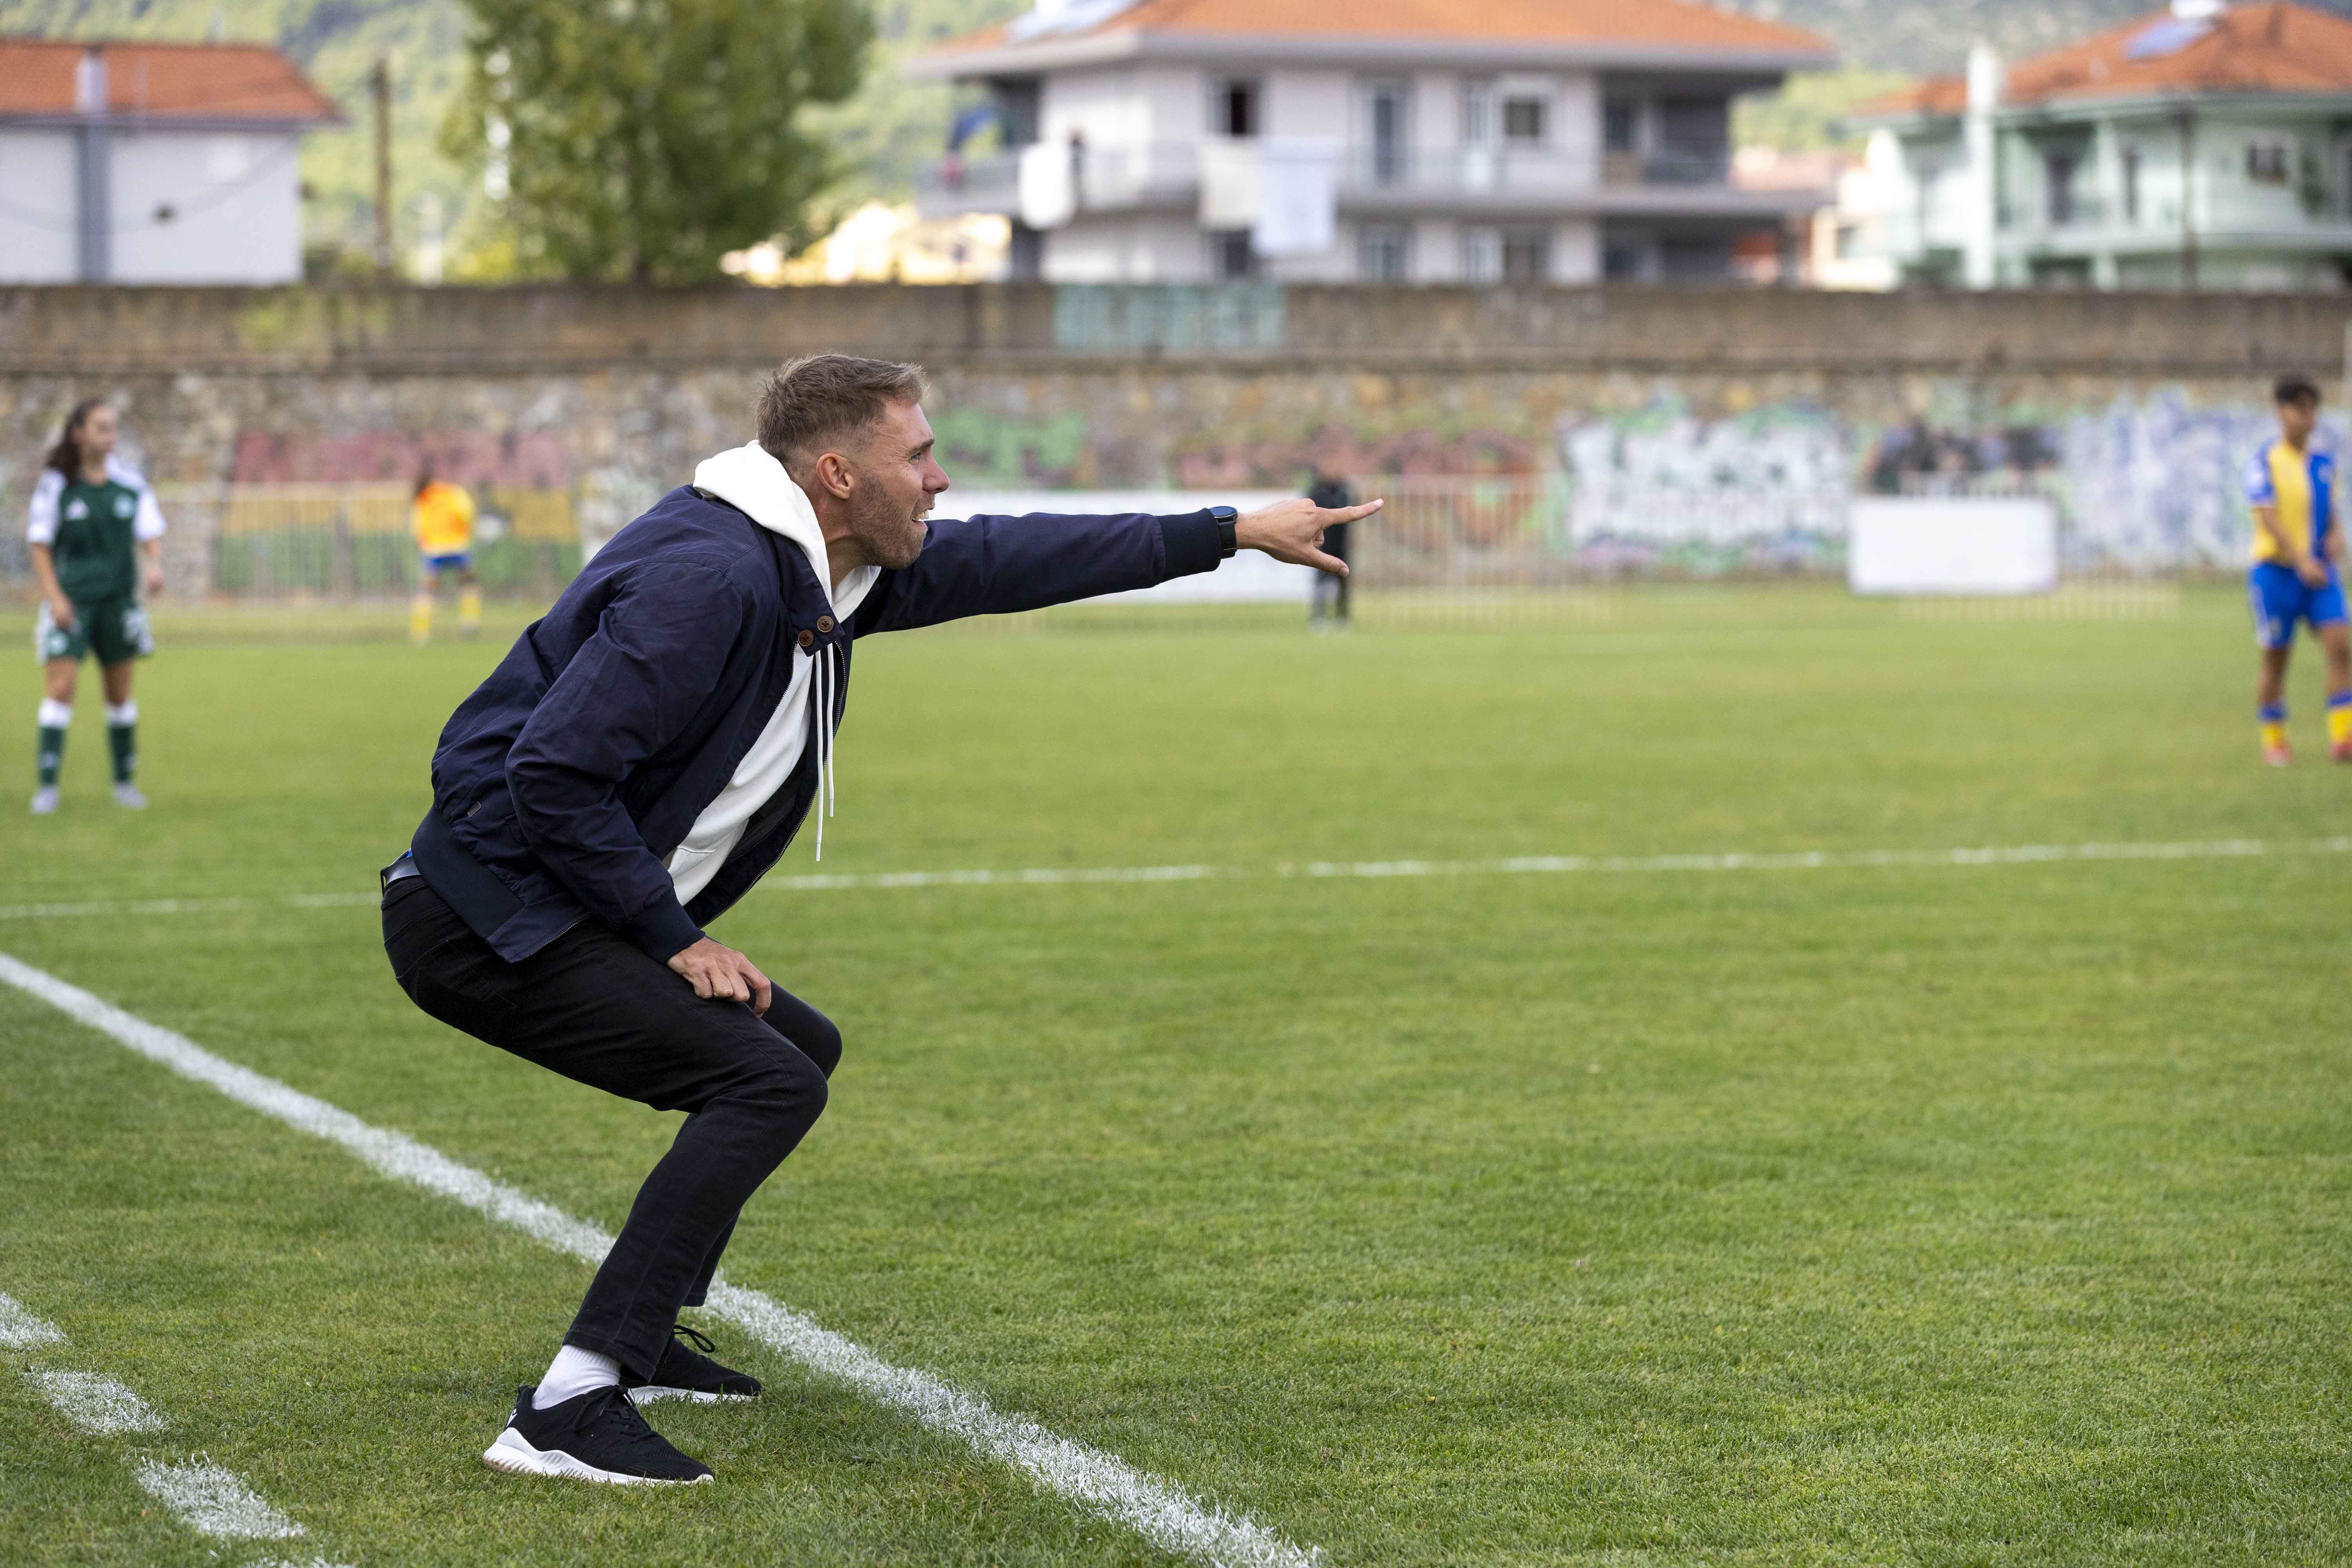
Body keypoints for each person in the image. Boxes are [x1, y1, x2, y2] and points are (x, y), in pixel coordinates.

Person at [379, 354, 1378, 1486]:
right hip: (481, 917)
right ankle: (570, 1401)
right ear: (839, 475)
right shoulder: (714, 578)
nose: (940, 479)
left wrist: (1233, 531)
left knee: (796, 1048)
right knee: (766, 1081)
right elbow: (552, 774)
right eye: (919, 455)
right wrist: (674, 938)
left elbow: (1012, 558)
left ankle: (643, 1336)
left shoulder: (823, 567)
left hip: (545, 902)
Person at [26, 399, 166, 814]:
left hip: (118, 604)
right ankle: (47, 788)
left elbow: (150, 532)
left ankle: (124, 784)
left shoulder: (130, 483)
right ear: (78, 434)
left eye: (113, 428)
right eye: (101, 427)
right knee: (61, 688)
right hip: (72, 604)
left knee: (119, 694)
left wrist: (154, 565)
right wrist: (55, 597)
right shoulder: (57, 484)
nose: (110, 436)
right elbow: (39, 543)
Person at [2244, 374, 2351, 766]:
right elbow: (2268, 518)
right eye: (2299, 409)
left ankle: (2343, 738)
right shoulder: (2264, 462)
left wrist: (2337, 537)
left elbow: (2330, 513)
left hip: (2319, 574)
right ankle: (2275, 741)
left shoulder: (2324, 464)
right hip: (2277, 573)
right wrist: (2301, 559)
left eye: (2312, 409)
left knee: (2340, 644)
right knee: (2277, 658)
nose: (2308, 417)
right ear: (2281, 412)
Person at [409, 464, 481, 644]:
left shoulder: (423, 498)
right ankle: (469, 622)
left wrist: (426, 543)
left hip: (433, 549)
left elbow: (417, 525)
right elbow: (468, 513)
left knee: (427, 591)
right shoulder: (453, 492)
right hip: (458, 546)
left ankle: (421, 631)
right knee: (468, 585)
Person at [1307, 470, 1354, 628]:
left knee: (1343, 584)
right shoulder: (1317, 492)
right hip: (1322, 547)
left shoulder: (1344, 491)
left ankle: (1342, 617)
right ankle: (1318, 617)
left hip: (1341, 547)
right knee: (1321, 584)